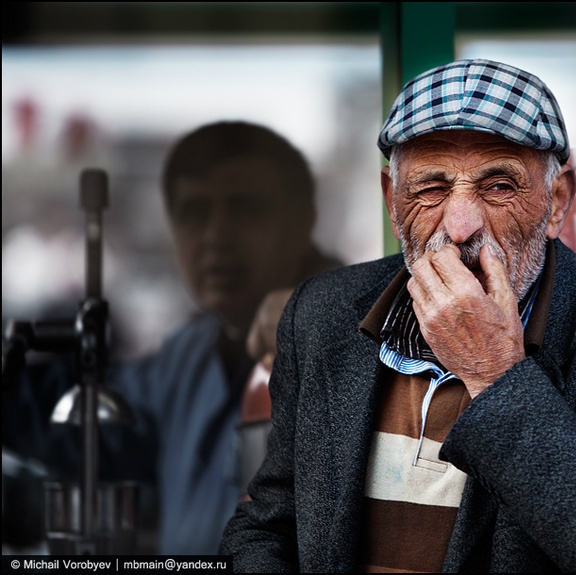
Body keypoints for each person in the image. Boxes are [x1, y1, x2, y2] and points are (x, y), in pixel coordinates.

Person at [219, 60, 576, 572]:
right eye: (431, 188)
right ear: (392, 200)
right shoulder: (320, 315)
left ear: (556, 203)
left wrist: (496, 375)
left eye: (499, 186)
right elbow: (269, 524)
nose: (461, 226)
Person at [2, 121, 340, 555]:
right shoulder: (189, 355)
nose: (217, 237)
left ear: (303, 219)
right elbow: (89, 416)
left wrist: (321, 314)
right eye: (195, 213)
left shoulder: (361, 341)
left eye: (247, 210)